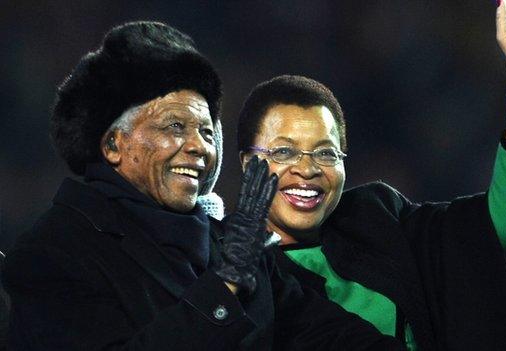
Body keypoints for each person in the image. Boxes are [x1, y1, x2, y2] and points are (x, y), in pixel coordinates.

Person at [0, 21, 406, 350]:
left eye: (208, 133)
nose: (198, 147)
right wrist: (225, 285)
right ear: (113, 145)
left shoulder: (229, 243)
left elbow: (328, 336)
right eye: (175, 127)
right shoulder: (52, 255)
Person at [234, 1, 506, 350]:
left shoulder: (378, 223)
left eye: (326, 153)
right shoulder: (223, 266)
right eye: (284, 152)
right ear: (247, 164)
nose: (308, 169)